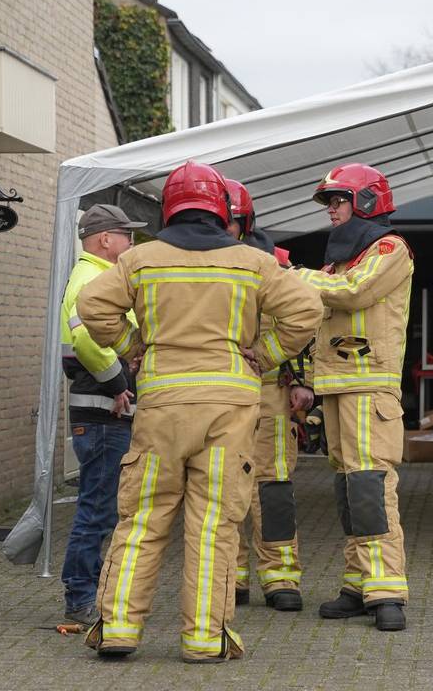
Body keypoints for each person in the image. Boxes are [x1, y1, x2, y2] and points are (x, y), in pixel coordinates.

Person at [78, 161, 323, 663]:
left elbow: (92, 306)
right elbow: (307, 310)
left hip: (162, 408)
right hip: (228, 410)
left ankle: (119, 629)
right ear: (221, 210)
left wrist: (133, 346)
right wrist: (267, 354)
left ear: (169, 207)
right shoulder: (253, 262)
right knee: (214, 525)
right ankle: (205, 639)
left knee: (143, 519)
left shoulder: (141, 259)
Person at [297, 163, 413, 632]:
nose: (331, 211)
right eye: (329, 203)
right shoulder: (337, 263)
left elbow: (354, 293)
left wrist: (294, 276)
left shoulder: (389, 249)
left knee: (370, 487)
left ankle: (386, 591)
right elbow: (320, 324)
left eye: (338, 201)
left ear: (365, 201)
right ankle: (357, 584)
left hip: (369, 386)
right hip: (337, 387)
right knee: (349, 490)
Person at [223, 179, 313, 612]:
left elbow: (305, 322)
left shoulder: (277, 265)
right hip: (221, 392)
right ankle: (231, 576)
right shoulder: (201, 265)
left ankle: (280, 576)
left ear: (246, 223)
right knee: (224, 485)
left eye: (230, 222)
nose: (221, 229)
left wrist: (303, 380)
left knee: (272, 487)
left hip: (270, 391)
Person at [58, 203, 148, 627]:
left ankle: (88, 593)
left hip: (101, 413)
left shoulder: (95, 276)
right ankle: (80, 598)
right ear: (105, 239)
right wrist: (119, 384)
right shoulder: (93, 280)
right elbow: (87, 341)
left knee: (101, 509)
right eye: (127, 235)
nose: (132, 242)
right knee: (96, 510)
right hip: (102, 411)